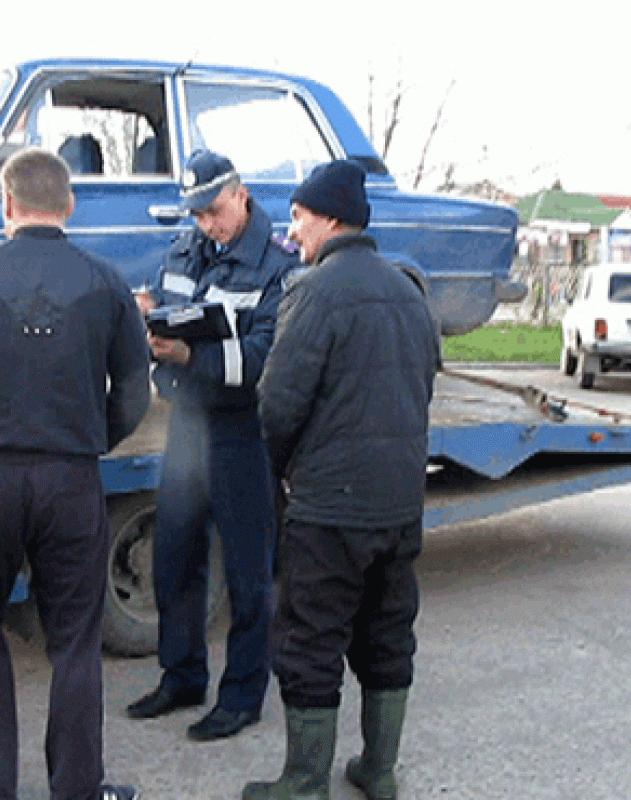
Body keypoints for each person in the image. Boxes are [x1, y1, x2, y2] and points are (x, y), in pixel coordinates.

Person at [0, 147, 151, 800]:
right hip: (70, 478)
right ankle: (78, 790)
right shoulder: (105, 281)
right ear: (69, 204)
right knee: (75, 642)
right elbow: (134, 388)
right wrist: (92, 438)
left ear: (8, 204)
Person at [244, 160, 440, 800]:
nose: (293, 231)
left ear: (328, 218)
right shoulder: (409, 292)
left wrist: (286, 472)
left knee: (310, 641)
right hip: (400, 504)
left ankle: (304, 784)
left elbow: (277, 405)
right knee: (387, 635)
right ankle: (377, 771)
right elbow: (424, 386)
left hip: (329, 510)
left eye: (298, 218)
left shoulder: (313, 291)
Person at [127, 150, 300, 742]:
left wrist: (191, 356)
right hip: (188, 423)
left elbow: (266, 358)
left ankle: (243, 695)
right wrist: (147, 318)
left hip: (243, 430)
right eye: (198, 216)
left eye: (215, 211)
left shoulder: (278, 266)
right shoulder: (184, 251)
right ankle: (182, 676)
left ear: (242, 194)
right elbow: (165, 306)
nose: (208, 224)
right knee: (174, 556)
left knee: (249, 574)